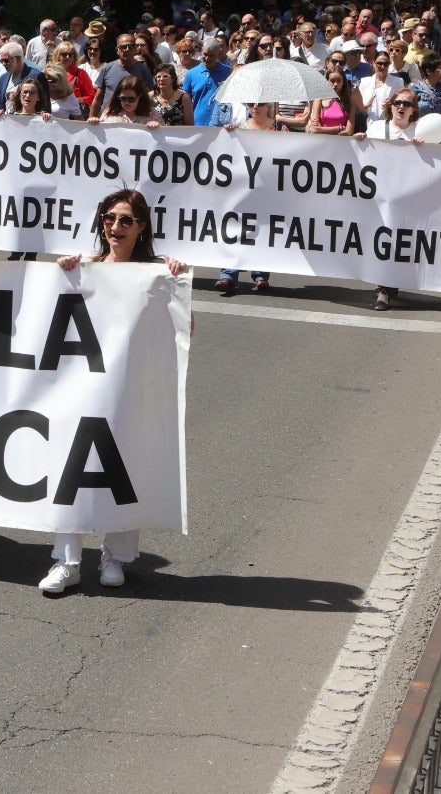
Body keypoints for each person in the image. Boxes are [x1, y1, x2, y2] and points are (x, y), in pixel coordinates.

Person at [46, 189, 188, 594]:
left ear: (141, 227)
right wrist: (62, 274)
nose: (115, 227)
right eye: (109, 218)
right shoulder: (83, 267)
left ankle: (115, 556)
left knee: (125, 471)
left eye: (126, 220)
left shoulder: (156, 273)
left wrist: (176, 283)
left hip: (130, 391)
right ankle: (67, 561)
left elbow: (184, 330)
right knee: (71, 470)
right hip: (82, 388)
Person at [215, 102, 281, 294]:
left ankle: (260, 275)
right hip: (242, 187)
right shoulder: (240, 128)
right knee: (234, 228)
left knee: (263, 231)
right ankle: (228, 274)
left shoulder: (280, 129)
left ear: (269, 106)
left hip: (268, 188)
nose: (256, 107)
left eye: (260, 104)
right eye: (251, 104)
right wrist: (227, 134)